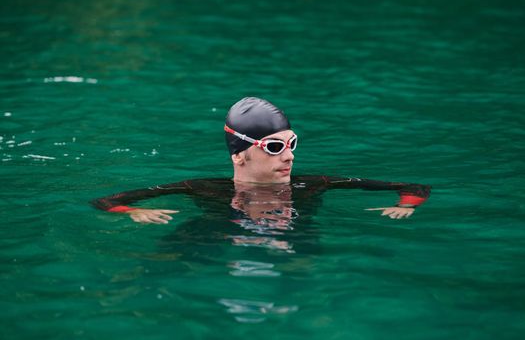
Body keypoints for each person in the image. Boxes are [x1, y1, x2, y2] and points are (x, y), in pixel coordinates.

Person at [91, 97, 431, 225]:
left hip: (293, 252)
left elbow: (413, 186)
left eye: (292, 143)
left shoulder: (316, 183)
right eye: (274, 147)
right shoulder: (203, 189)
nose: (290, 155)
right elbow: (105, 200)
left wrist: (408, 206)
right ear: (239, 154)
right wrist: (134, 211)